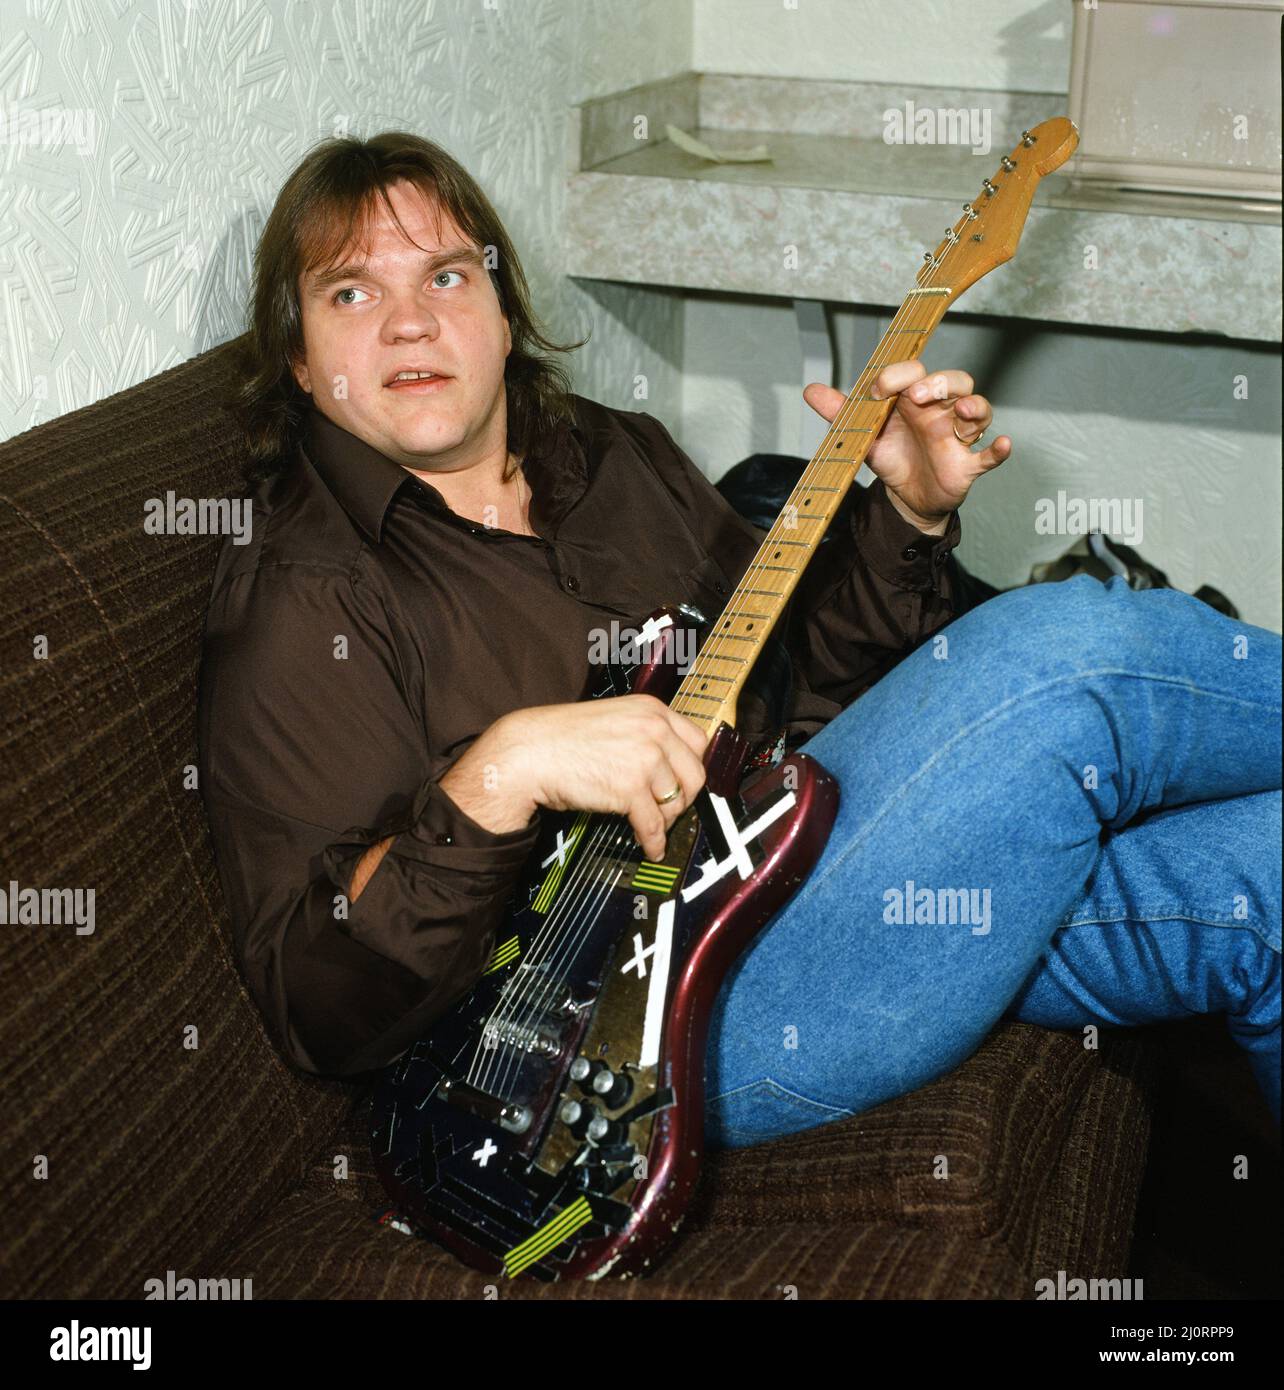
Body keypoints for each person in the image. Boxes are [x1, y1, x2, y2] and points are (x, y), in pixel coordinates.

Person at [198, 133, 1281, 1152]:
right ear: (298, 360)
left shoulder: (611, 453)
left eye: (444, 275)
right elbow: (318, 1004)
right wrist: (501, 770)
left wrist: (904, 516)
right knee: (1069, 650)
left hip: (818, 870)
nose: (408, 321)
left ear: (498, 302)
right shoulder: (304, 601)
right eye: (351, 291)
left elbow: (794, 682)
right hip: (621, 1038)